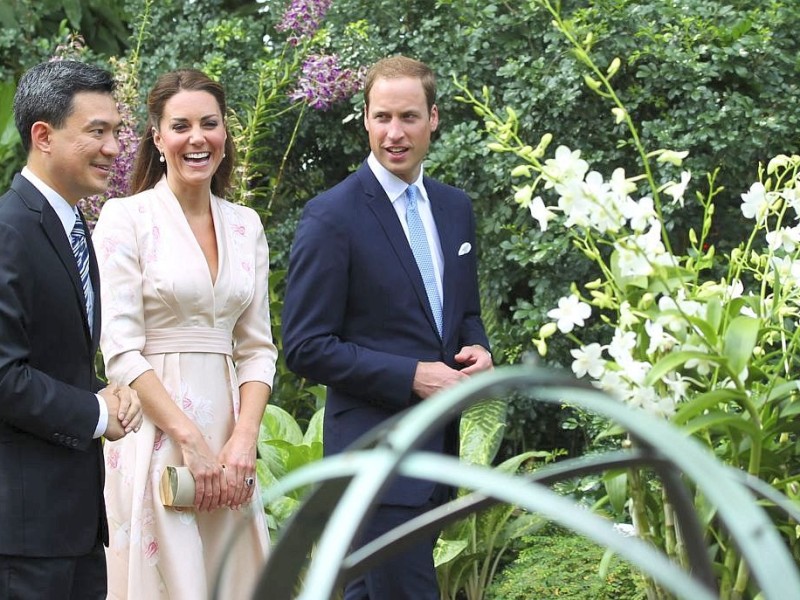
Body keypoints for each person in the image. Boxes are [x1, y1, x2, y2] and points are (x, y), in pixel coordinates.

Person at [282, 55, 494, 599]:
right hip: (372, 461)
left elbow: (461, 313)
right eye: (381, 118)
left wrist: (477, 346)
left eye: (408, 117)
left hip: (434, 454)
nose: (394, 133)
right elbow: (305, 347)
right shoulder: (331, 216)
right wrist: (412, 376)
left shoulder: (454, 208)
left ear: (434, 119)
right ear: (366, 121)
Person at [92, 69, 277, 599]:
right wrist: (189, 440)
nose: (197, 138)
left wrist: (243, 439)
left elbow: (259, 348)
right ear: (157, 136)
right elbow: (120, 348)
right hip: (154, 431)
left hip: (229, 438)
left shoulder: (246, 225)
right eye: (181, 126)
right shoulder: (125, 218)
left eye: (209, 124)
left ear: (224, 134)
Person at [0, 59, 143, 600]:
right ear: (44, 136)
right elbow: (4, 376)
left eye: (115, 131)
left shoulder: (75, 227)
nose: (113, 147)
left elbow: (53, 358)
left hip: (77, 528)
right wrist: (97, 412)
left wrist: (105, 392)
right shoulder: (9, 231)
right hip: (24, 533)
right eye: (97, 132)